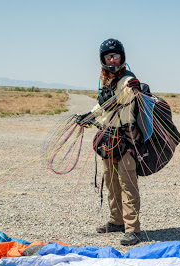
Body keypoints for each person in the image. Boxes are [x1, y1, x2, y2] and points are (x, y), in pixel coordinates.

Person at [76, 38, 142, 246]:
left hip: (125, 139)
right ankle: (116, 221)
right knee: (111, 181)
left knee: (127, 183)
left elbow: (121, 100)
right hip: (108, 138)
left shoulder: (129, 80)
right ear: (103, 59)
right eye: (108, 56)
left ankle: (133, 229)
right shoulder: (107, 81)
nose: (112, 60)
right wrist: (90, 116)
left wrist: (100, 108)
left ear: (122, 57)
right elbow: (102, 104)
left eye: (116, 56)